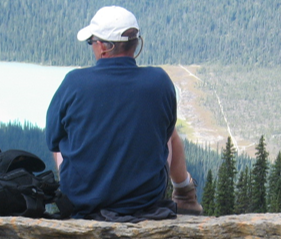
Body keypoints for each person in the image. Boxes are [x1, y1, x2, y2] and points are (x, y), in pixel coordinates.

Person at [45, 6, 202, 220]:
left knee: (64, 137)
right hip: (144, 200)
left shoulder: (74, 82)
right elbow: (163, 134)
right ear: (136, 44)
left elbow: (53, 140)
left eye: (91, 42)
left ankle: (86, 191)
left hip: (82, 201)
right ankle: (184, 193)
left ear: (102, 47)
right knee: (170, 132)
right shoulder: (159, 81)